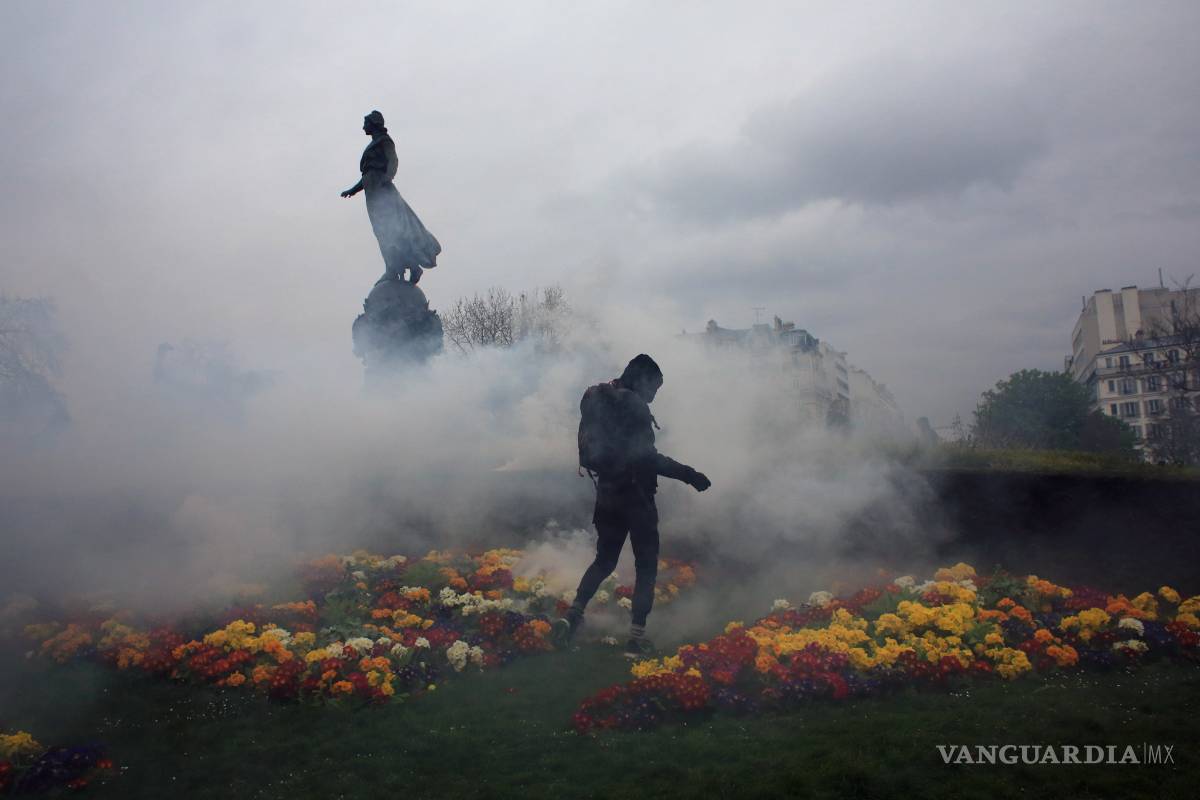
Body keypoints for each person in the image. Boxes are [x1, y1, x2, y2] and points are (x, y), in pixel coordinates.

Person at [555, 354, 711, 657]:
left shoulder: (599, 399)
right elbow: (646, 457)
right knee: (646, 566)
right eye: (655, 387)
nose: (654, 395)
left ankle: (572, 616)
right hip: (637, 497)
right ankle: (636, 640)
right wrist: (690, 475)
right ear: (642, 379)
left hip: (607, 494)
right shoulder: (634, 406)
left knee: (604, 560)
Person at [341, 110, 441, 285]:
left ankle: (399, 267)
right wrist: (353, 190)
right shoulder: (374, 143)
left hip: (381, 191)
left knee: (393, 230)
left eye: (365, 123)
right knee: (382, 232)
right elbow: (367, 175)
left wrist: (386, 180)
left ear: (373, 123)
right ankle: (397, 267)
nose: (363, 126)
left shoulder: (384, 141)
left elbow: (392, 161)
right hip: (372, 192)